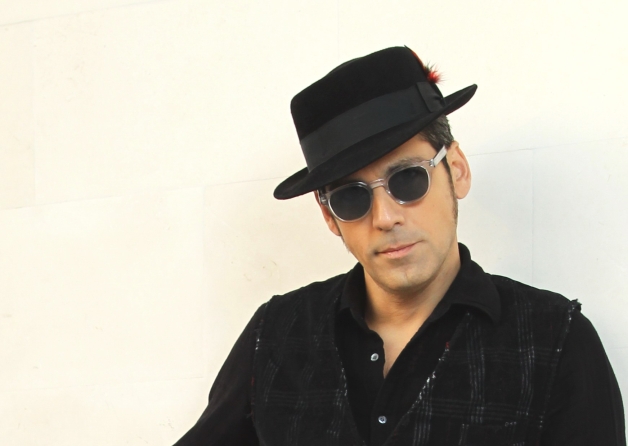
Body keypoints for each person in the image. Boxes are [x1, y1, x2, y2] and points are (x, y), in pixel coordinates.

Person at [174, 46, 625, 445]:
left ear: (456, 170)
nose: (385, 217)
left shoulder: (556, 340)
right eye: (351, 198)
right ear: (328, 216)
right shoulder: (275, 336)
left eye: (408, 179)